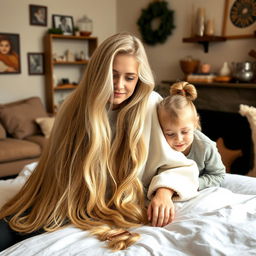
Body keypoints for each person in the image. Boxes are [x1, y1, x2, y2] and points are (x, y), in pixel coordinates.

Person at [0, 32, 199, 252]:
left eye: (129, 77)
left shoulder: (151, 105)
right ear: (98, 72)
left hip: (118, 205)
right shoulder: (74, 106)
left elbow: (178, 164)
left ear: (139, 78)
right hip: (72, 200)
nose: (119, 85)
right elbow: (58, 168)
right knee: (18, 223)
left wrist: (163, 193)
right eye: (112, 75)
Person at [157, 81, 225, 190]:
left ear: (195, 124)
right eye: (170, 134)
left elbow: (219, 175)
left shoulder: (206, 146)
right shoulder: (160, 144)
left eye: (184, 132)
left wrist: (194, 183)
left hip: (197, 188)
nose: (179, 139)